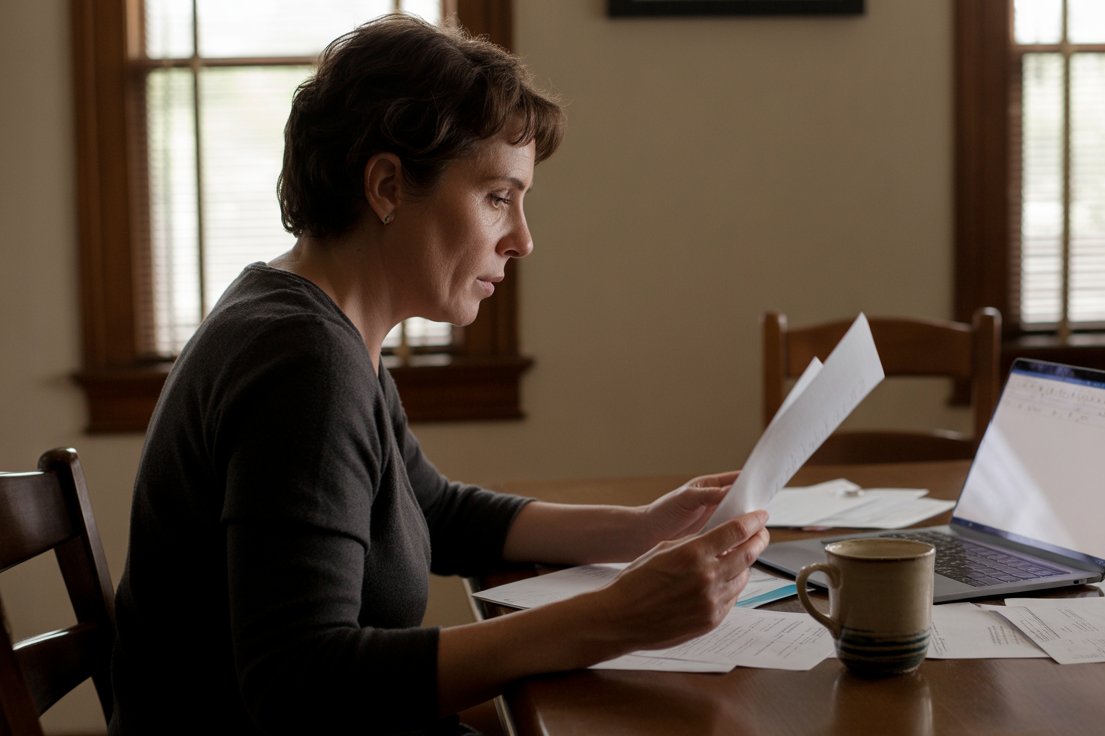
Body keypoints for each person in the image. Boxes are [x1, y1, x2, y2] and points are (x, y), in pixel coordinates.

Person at [107, 14, 769, 736]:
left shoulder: (315, 324)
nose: (522, 239)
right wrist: (614, 617)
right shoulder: (304, 365)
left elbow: (433, 510)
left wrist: (640, 530)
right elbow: (298, 685)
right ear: (388, 186)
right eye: (496, 197)